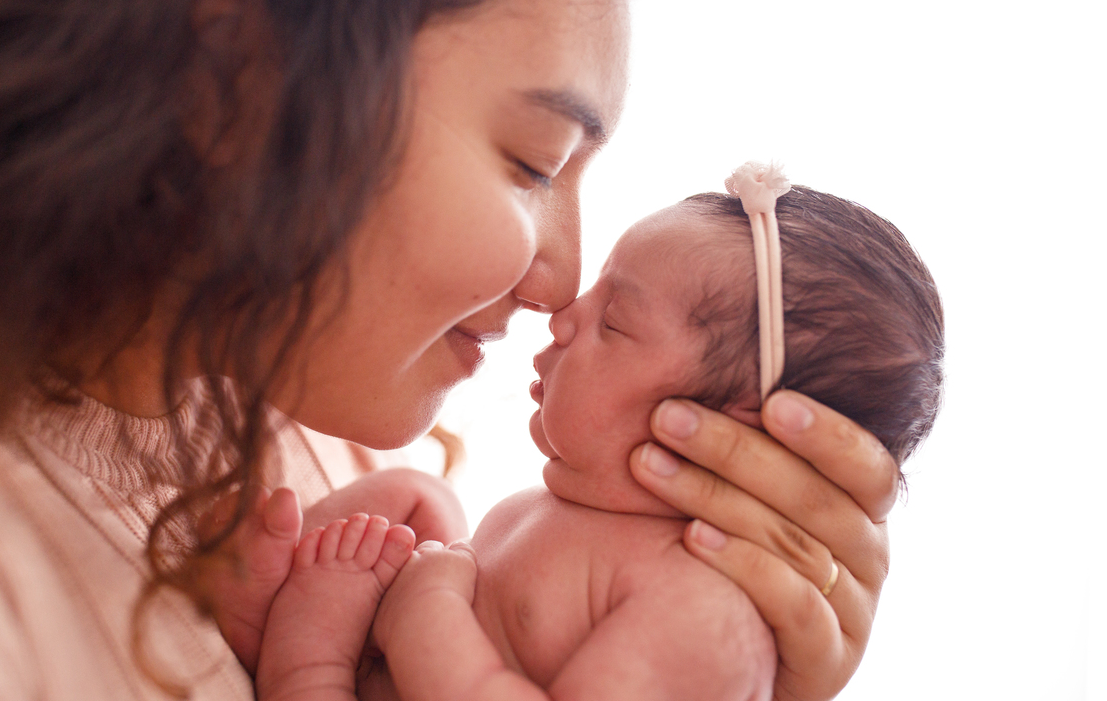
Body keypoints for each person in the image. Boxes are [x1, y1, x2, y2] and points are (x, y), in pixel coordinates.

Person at [0, 0, 901, 700]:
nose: (560, 281)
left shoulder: (301, 422)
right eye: (532, 162)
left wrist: (724, 665)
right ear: (233, 76)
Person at [210, 176, 944, 701]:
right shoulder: (562, 513)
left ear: (725, 434)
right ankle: (274, 617)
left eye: (614, 322)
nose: (562, 313)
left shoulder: (701, 611)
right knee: (414, 498)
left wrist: (427, 612)